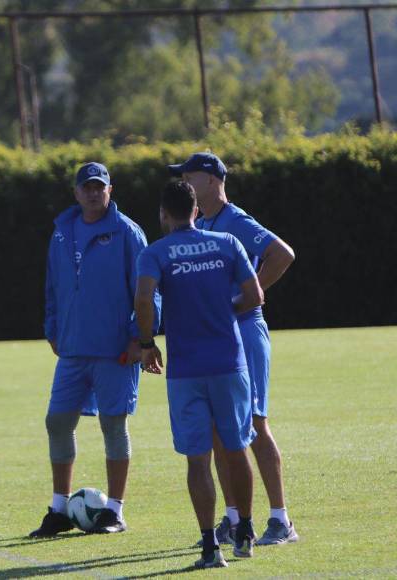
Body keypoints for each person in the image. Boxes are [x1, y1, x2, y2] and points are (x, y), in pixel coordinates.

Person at [168, 153, 298, 546]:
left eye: (188, 175)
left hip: (245, 331)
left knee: (254, 423)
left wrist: (247, 297)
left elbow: (283, 254)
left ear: (209, 180)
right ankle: (235, 518)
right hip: (222, 337)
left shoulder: (234, 220)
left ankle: (281, 520)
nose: (184, 182)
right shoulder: (203, 223)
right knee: (220, 431)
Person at [135, 180, 264, 569]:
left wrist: (146, 342)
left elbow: (143, 299)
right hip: (229, 363)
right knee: (238, 448)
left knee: (198, 460)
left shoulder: (155, 252)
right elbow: (255, 295)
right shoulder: (227, 243)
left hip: (187, 370)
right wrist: (225, 311)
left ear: (163, 213)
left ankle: (210, 546)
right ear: (196, 210)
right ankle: (245, 530)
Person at [29, 162, 160, 537]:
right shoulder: (61, 231)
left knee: (113, 423)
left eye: (99, 186)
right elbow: (53, 286)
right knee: (57, 421)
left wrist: (140, 336)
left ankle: (114, 511)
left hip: (115, 349)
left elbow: (148, 289)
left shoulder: (127, 232)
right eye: (86, 187)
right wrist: (52, 328)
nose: (92, 192)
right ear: (76, 192)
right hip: (72, 349)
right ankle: (58, 508)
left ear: (109, 190)